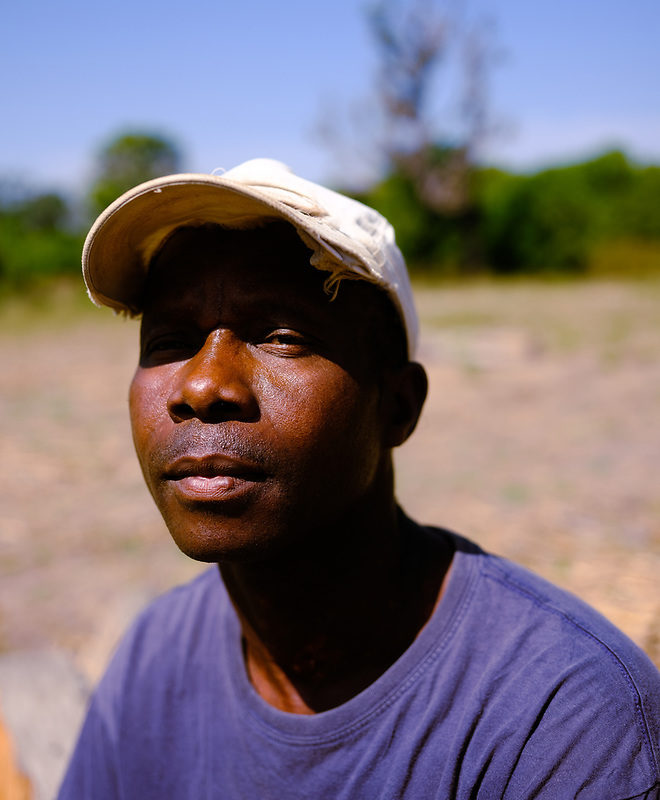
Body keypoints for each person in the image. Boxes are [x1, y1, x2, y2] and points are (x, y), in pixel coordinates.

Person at [59, 159, 660, 799]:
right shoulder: (155, 659)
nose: (203, 385)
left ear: (397, 406)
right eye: (169, 341)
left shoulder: (561, 720)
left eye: (280, 336)